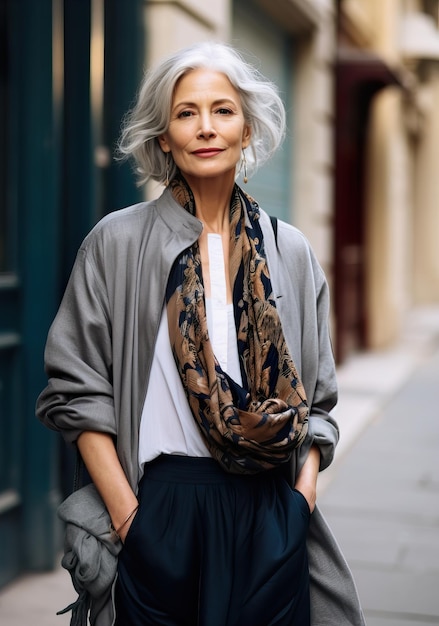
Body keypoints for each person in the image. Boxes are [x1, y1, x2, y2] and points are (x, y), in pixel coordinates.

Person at [36, 42, 365, 626]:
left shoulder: (288, 249)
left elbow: (317, 402)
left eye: (223, 110)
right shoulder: (116, 243)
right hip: (160, 508)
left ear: (247, 128)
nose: (206, 128)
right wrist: (129, 518)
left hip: (269, 509)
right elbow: (75, 392)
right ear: (163, 135)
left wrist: (300, 500)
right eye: (186, 113)